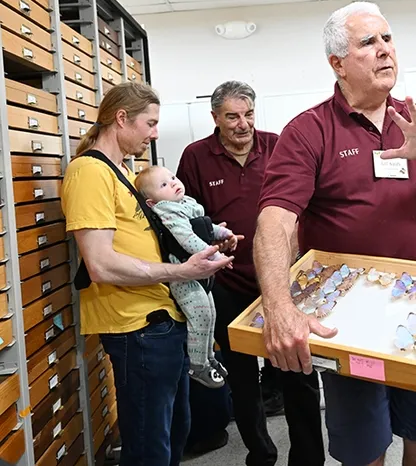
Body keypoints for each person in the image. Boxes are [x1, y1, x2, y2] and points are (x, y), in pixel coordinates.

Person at [253, 1, 416, 466]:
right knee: (364, 448)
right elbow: (274, 222)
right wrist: (279, 307)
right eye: (368, 43)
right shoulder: (309, 131)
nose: (385, 51)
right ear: (337, 63)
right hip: (348, 322)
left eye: (388, 39)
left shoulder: (415, 120)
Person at [61, 82, 233, 466]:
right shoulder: (89, 172)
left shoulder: (122, 170)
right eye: (150, 123)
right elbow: (100, 263)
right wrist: (182, 270)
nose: (155, 133)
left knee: (174, 433)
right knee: (148, 444)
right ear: (121, 118)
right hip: (135, 327)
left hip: (161, 319)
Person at [176, 80, 325, 466]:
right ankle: (260, 454)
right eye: (232, 117)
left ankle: (308, 458)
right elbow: (184, 218)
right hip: (228, 283)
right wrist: (211, 236)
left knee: (299, 372)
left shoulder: (278, 146)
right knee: (242, 381)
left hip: (281, 282)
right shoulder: (195, 157)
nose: (242, 124)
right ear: (215, 118)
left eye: (248, 115)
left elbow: (307, 207)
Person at [134, 165, 238, 388]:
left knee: (210, 314)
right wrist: (215, 254)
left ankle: (209, 358)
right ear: (152, 203)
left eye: (172, 177)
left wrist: (224, 233)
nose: (173, 183)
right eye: (163, 185)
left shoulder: (185, 203)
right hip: (184, 277)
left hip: (200, 273)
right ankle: (198, 366)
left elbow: (205, 224)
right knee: (199, 317)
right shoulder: (167, 210)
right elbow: (187, 240)